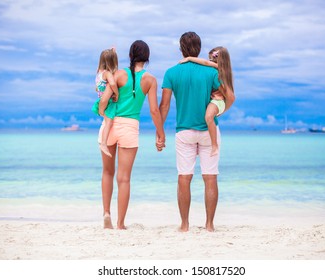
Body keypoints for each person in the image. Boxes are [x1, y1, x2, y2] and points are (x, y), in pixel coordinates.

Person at [159, 32, 235, 232]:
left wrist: (160, 131)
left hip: (184, 131)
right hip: (209, 130)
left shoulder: (171, 73)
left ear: (181, 49)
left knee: (184, 177)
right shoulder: (212, 73)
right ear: (199, 49)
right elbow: (229, 96)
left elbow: (164, 105)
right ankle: (209, 225)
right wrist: (221, 110)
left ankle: (184, 225)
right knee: (210, 177)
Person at [98, 40, 165, 230]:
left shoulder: (118, 74)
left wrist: (103, 113)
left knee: (107, 172)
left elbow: (104, 100)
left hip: (111, 125)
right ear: (147, 58)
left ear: (130, 56)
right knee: (124, 178)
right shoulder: (150, 80)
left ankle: (106, 213)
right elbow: (154, 110)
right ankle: (120, 224)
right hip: (130, 128)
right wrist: (160, 134)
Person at [180, 46, 234, 156]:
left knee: (208, 117)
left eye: (212, 59)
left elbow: (205, 63)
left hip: (217, 101)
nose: (210, 61)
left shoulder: (218, 67)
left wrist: (189, 58)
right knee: (208, 117)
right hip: (216, 102)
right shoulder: (220, 71)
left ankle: (214, 145)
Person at [91, 48, 119, 157]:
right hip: (108, 102)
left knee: (107, 121)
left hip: (100, 99)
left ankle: (103, 143)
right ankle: (103, 143)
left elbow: (97, 87)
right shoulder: (107, 73)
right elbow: (112, 84)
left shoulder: (98, 72)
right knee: (109, 122)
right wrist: (116, 93)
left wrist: (112, 51)